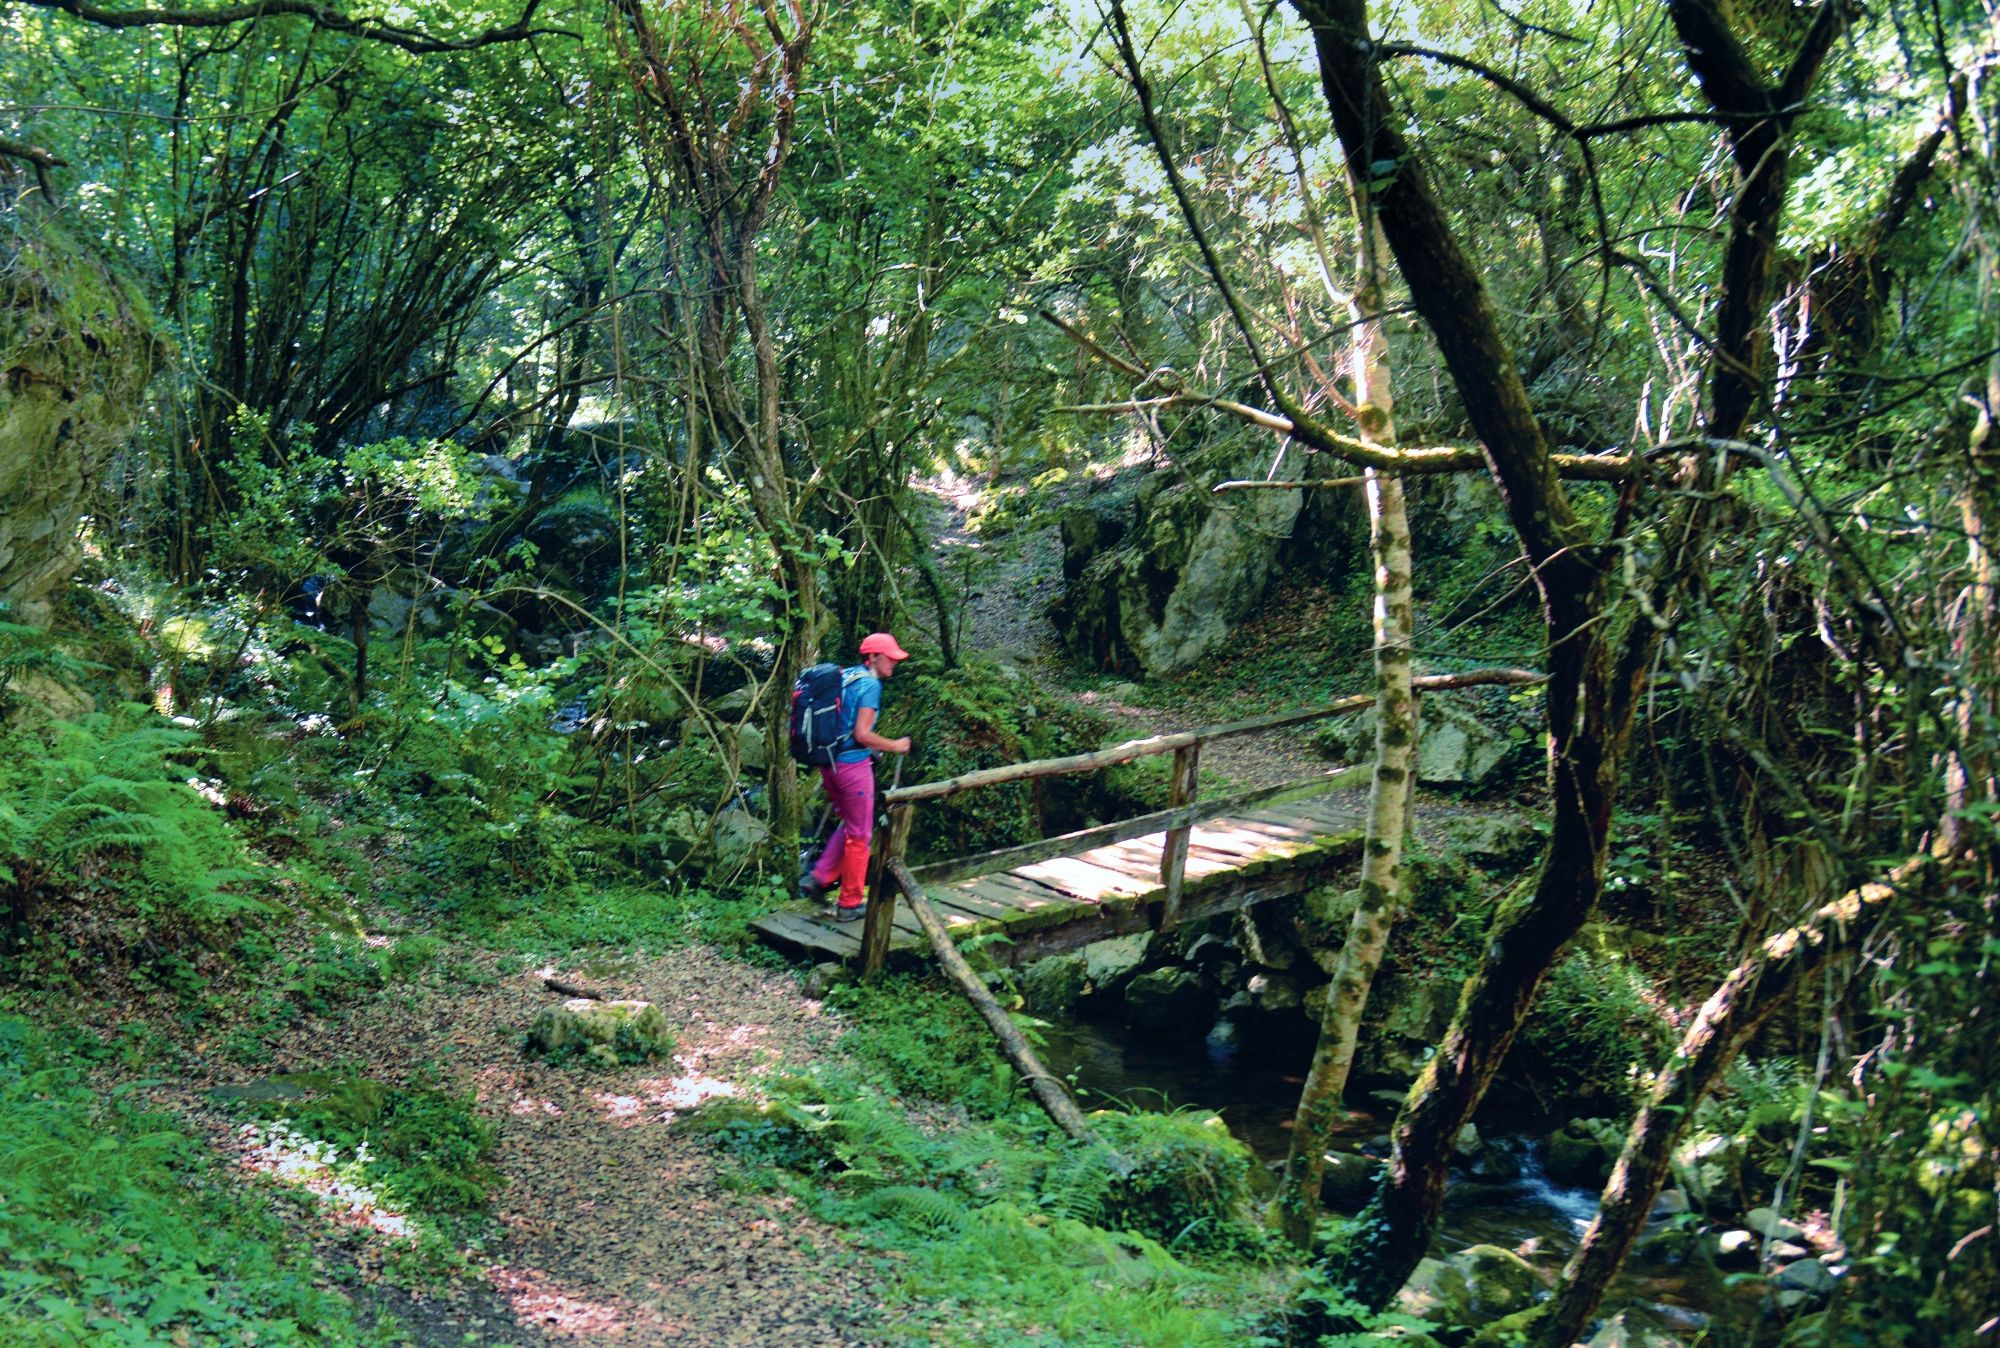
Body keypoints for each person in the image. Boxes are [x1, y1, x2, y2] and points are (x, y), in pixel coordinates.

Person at [800, 632, 911, 920]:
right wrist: (895, 745)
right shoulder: (870, 685)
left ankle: (820, 877)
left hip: (829, 766)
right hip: (852, 769)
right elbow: (862, 734)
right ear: (873, 657)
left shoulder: (846, 676)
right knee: (861, 834)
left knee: (850, 824)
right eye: (890, 657)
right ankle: (849, 903)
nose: (894, 662)